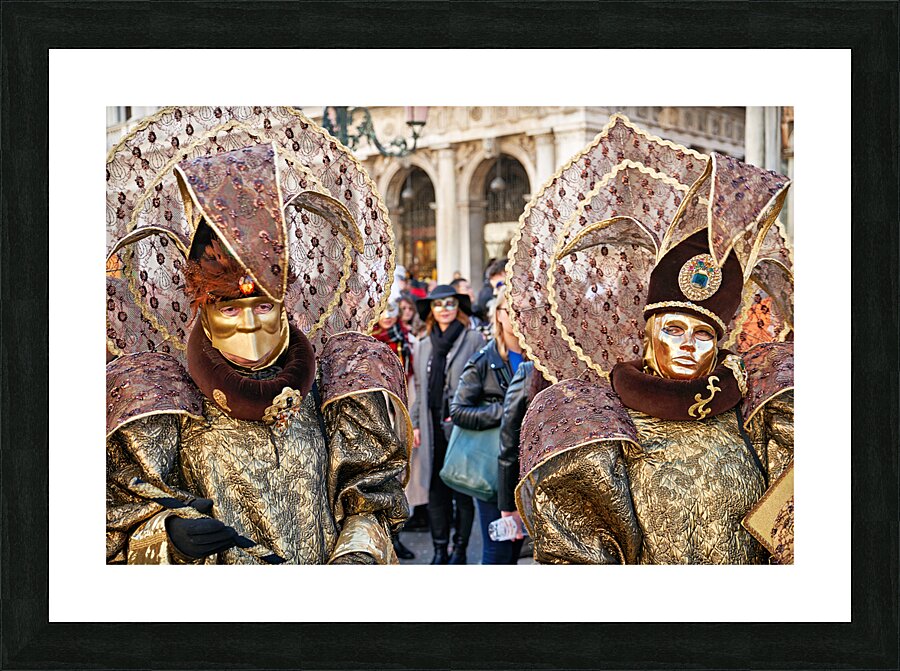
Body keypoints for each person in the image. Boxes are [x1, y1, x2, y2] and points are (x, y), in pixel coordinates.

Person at [105, 114, 411, 565]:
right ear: (203, 310)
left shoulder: (334, 384)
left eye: (264, 305)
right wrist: (166, 534)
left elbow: (370, 503)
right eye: (229, 308)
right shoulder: (161, 399)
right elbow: (114, 521)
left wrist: (355, 559)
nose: (249, 325)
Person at [507, 116, 794, 565]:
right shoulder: (601, 420)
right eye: (674, 330)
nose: (688, 345)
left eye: (703, 335)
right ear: (648, 334)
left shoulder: (757, 413)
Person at [449, 288, 526, 564]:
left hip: (526, 466)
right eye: (510, 310)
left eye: (523, 310)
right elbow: (458, 411)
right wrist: (504, 412)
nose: (517, 317)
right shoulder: (484, 360)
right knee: (498, 550)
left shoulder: (538, 361)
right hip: (493, 468)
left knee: (518, 549)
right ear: (499, 315)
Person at [408, 285, 484, 563]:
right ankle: (440, 550)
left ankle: (460, 550)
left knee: (461, 491)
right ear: (431, 309)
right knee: (436, 490)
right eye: (438, 305)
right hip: (430, 427)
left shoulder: (473, 339)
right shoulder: (424, 343)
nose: (444, 309)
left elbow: (483, 385)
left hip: (461, 428)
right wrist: (415, 424)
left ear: (458, 307)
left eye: (450, 304)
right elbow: (419, 388)